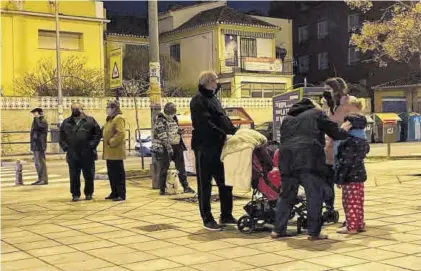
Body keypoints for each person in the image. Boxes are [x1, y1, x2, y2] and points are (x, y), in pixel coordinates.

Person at [271, 98, 352, 241]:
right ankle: (314, 232)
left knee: (286, 194)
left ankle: (278, 230)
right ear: (313, 105)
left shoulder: (288, 118)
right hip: (308, 157)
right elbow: (335, 133)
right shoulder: (316, 113)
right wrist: (344, 129)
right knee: (314, 194)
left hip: (286, 158)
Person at [190, 71, 237, 231]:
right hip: (204, 147)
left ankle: (226, 214)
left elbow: (222, 118)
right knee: (205, 184)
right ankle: (207, 218)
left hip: (219, 147)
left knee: (225, 182)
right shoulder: (198, 100)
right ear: (209, 82)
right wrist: (223, 133)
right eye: (216, 81)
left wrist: (233, 131)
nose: (217, 83)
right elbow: (205, 123)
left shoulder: (214, 99)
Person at [323, 77, 361, 217]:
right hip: (329, 150)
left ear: (337, 89)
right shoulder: (329, 104)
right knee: (327, 182)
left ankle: (351, 218)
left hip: (345, 151)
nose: (326, 93)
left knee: (348, 187)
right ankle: (329, 209)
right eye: (325, 90)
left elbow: (346, 123)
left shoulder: (349, 103)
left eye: (329, 89)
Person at [335, 113, 370, 234]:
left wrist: (339, 179)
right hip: (359, 175)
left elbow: (345, 163)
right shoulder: (362, 141)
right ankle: (359, 223)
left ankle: (352, 226)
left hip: (349, 176)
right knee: (358, 201)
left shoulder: (349, 142)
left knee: (349, 202)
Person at [59, 102, 102, 202]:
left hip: (87, 153)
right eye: (74, 109)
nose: (76, 111)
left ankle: (89, 193)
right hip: (73, 154)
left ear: (83, 109)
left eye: (78, 109)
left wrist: (92, 145)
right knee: (74, 175)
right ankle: (75, 194)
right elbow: (61, 137)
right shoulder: (66, 122)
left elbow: (97, 134)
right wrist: (66, 148)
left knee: (89, 175)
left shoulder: (90, 121)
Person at [151, 102, 195, 195]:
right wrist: (168, 147)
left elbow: (174, 130)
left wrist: (179, 131)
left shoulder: (174, 118)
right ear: (167, 111)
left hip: (177, 145)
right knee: (164, 168)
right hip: (166, 147)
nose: (173, 114)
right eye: (171, 111)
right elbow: (163, 136)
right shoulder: (160, 120)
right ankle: (162, 189)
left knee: (181, 168)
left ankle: (185, 186)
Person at [103, 101, 127, 201]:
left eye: (108, 107)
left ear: (114, 108)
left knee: (118, 174)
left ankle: (121, 194)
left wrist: (111, 142)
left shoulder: (119, 118)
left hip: (116, 151)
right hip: (109, 152)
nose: (107, 109)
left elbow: (121, 133)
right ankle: (114, 192)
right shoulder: (110, 119)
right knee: (112, 174)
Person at [30, 108, 49, 185]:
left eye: (35, 113)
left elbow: (39, 127)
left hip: (40, 145)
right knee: (37, 163)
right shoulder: (36, 121)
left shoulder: (42, 121)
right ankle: (40, 178)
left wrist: (37, 118)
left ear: (39, 113)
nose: (34, 115)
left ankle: (43, 179)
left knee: (41, 163)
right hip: (36, 144)